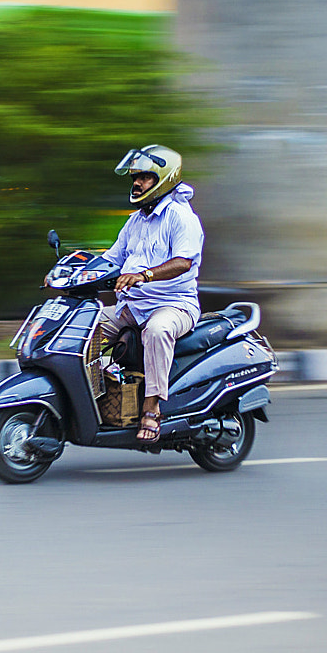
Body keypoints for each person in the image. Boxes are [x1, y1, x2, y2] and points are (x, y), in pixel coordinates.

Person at [98, 144, 203, 441]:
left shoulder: (180, 217)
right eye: (135, 177)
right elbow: (110, 260)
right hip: (132, 307)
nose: (137, 183)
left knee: (156, 331)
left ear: (164, 178)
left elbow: (184, 261)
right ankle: (98, 396)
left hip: (174, 305)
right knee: (85, 327)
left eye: (144, 177)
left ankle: (151, 408)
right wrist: (70, 268)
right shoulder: (135, 221)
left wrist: (143, 275)